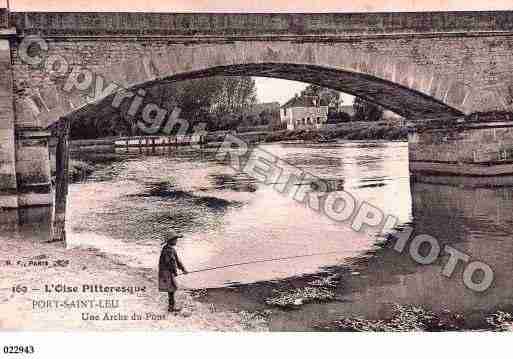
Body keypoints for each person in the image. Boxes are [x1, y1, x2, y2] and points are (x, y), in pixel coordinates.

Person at [159, 231, 188, 312]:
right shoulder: (168, 251)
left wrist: (183, 269)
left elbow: (177, 261)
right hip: (166, 273)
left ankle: (171, 306)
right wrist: (175, 271)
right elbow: (170, 262)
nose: (176, 241)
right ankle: (171, 307)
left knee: (172, 289)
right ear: (171, 240)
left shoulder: (170, 249)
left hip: (167, 272)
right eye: (175, 239)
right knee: (172, 289)